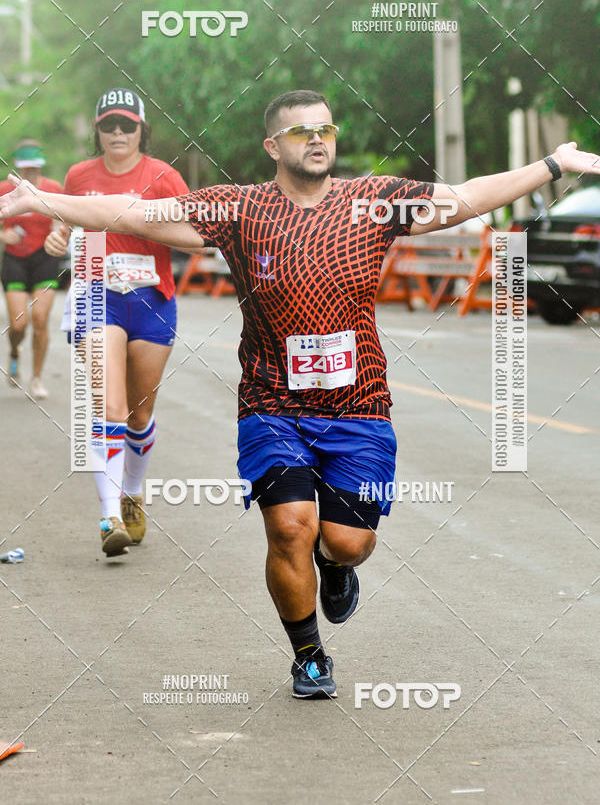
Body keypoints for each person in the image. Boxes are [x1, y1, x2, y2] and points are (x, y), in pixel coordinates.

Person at [3, 89, 599, 696]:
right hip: (271, 403)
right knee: (290, 527)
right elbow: (130, 214)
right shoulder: (238, 209)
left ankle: (338, 568)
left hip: (359, 403)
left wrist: (552, 166)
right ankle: (309, 654)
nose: (317, 139)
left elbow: (468, 197)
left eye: (325, 129)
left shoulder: (373, 200)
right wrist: (41, 198)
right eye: (300, 132)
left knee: (347, 540)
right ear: (272, 146)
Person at [43, 88, 193, 558]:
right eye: (109, 125)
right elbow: (64, 221)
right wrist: (56, 234)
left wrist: (147, 225)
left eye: (127, 125)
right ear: (98, 130)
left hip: (152, 299)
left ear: (142, 129)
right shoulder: (79, 175)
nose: (118, 134)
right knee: (110, 406)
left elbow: (196, 232)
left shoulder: (164, 176)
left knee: (139, 415)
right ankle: (109, 515)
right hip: (95, 296)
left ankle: (131, 492)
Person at [0, 140, 63, 399]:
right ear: (18, 168)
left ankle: (36, 377)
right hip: (15, 260)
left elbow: (64, 222)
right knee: (18, 324)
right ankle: (14, 352)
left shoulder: (53, 189)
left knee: (39, 318)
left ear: (41, 167)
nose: (30, 175)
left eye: (34, 169)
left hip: (45, 260)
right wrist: (3, 235)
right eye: (25, 169)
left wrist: (59, 232)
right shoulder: (4, 189)